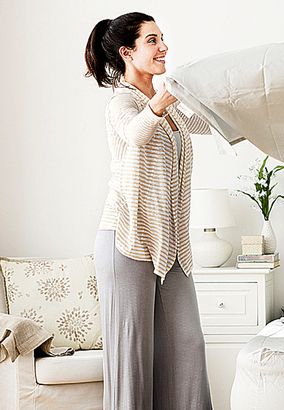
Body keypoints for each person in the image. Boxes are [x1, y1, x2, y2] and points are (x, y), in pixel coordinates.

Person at [84, 12, 213, 410]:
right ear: (128, 52)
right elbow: (136, 134)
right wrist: (160, 101)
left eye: (163, 39)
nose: (164, 48)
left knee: (187, 343)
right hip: (126, 240)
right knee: (132, 356)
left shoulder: (168, 104)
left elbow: (207, 125)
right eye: (153, 41)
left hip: (171, 244)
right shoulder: (122, 103)